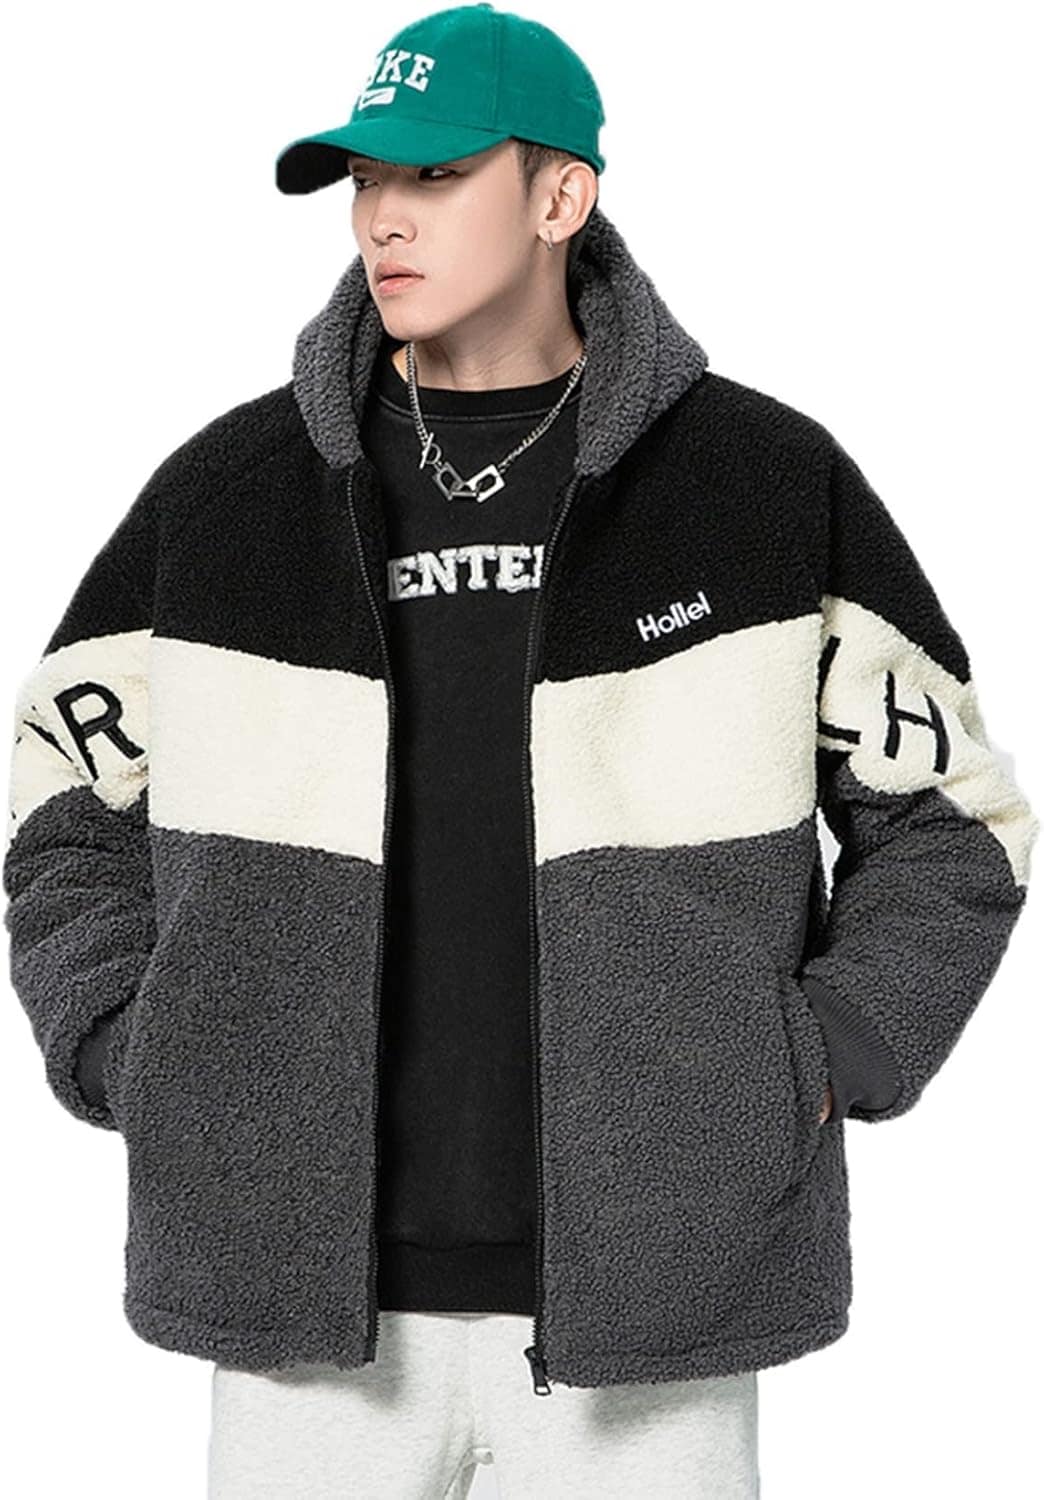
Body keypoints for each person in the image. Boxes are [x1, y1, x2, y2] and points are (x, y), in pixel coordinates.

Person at [3, 5, 1036, 1497]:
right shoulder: (228, 494)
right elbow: (61, 808)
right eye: (366, 180)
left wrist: (820, 1058)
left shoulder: (758, 483)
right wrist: (134, 1044)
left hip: (660, 1294)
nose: (383, 216)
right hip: (300, 1309)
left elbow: (949, 820)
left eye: (434, 176)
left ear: (562, 198)